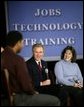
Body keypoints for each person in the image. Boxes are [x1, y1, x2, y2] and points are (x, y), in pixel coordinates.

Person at [1, 30, 60, 106]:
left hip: (4, 98)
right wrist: (33, 92)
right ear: (18, 43)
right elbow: (26, 85)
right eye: (22, 42)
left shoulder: (2, 56)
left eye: (41, 52)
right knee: (55, 101)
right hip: (18, 98)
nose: (23, 45)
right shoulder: (17, 59)